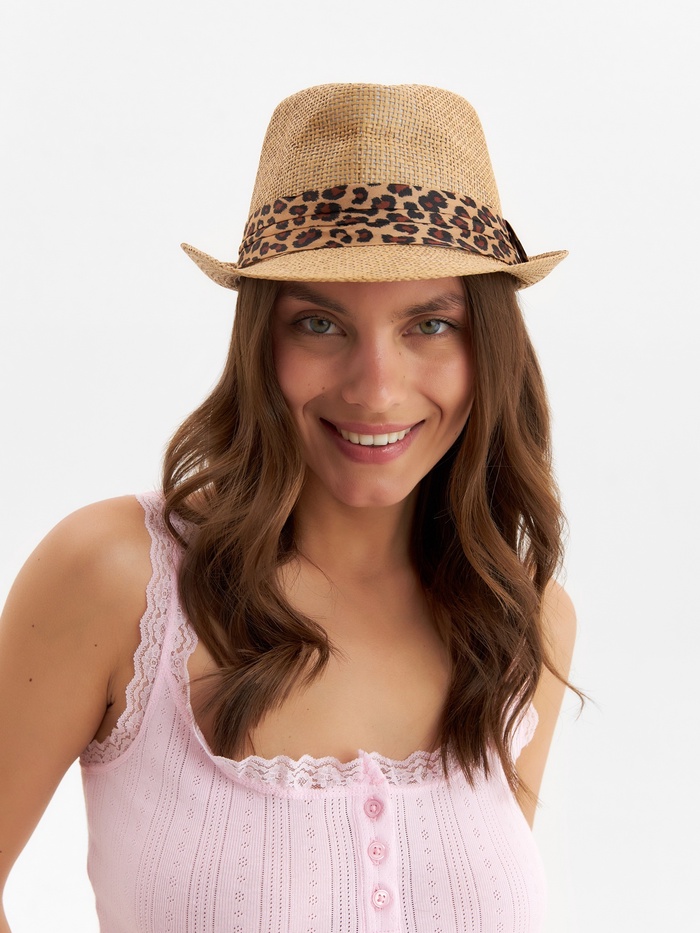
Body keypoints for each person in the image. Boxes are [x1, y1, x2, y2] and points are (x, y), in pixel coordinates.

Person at [0, 83, 578, 933]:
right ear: (259, 340)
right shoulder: (118, 579)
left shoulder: (520, 616)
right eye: (320, 324)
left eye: (428, 324)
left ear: (488, 345)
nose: (375, 389)